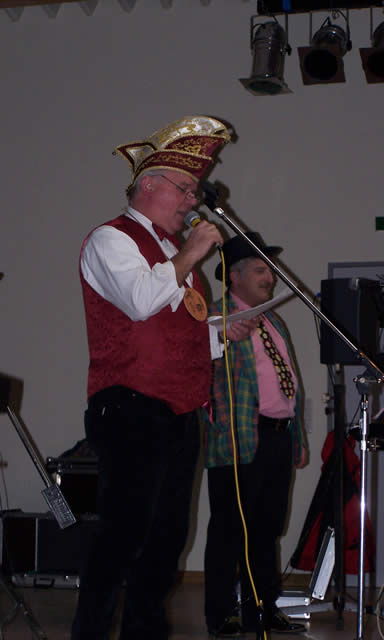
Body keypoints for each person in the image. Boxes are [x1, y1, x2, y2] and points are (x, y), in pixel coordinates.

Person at [72, 115, 231, 640]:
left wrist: (222, 332)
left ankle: (145, 633)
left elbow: (176, 329)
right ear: (148, 185)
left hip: (180, 411)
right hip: (130, 405)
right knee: (123, 536)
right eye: (184, 188)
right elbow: (140, 301)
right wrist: (192, 252)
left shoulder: (171, 253)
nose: (192, 200)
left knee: (167, 539)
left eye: (193, 191)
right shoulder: (110, 239)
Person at [202, 232, 308, 639]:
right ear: (235, 276)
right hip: (238, 438)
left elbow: (287, 382)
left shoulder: (273, 320)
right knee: (229, 529)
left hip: (278, 437)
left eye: (270, 270)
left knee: (266, 529)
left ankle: (262, 609)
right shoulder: (215, 319)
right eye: (262, 270)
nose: (270, 278)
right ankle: (220, 614)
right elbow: (197, 369)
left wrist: (297, 438)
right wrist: (220, 334)